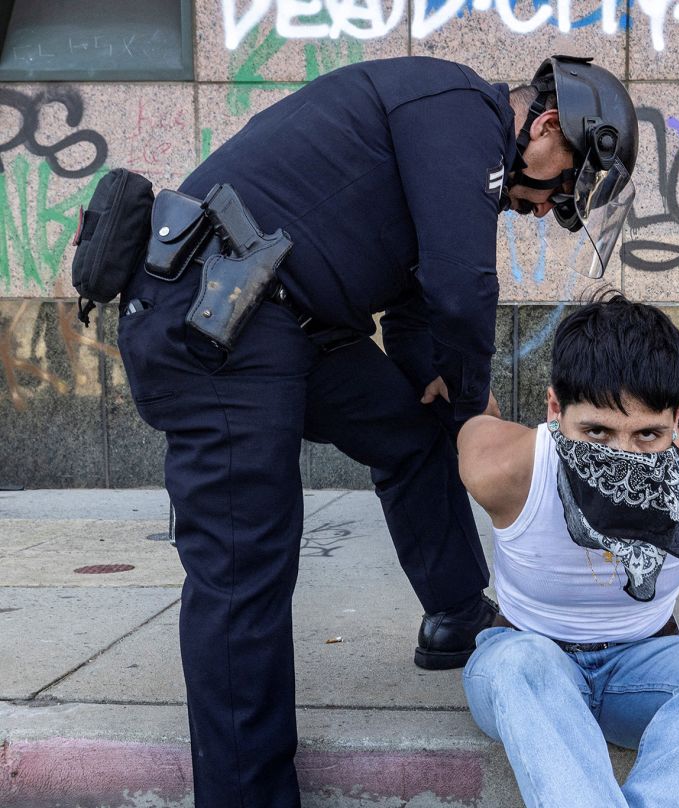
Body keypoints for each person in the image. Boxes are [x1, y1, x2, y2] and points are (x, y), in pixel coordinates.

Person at [114, 55, 638, 806]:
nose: (542, 209)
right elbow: (462, 283)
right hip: (214, 317)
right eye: (561, 186)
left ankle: (458, 614)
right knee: (243, 567)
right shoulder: (458, 108)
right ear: (548, 125)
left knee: (412, 427)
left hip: (286, 318)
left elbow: (422, 296)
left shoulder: (452, 139)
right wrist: (473, 403)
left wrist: (444, 398)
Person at [457, 294, 679, 808]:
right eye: (596, 431)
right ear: (555, 408)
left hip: (642, 669)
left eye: (647, 434)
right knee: (520, 660)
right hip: (529, 670)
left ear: (677, 419)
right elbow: (475, 422)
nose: (621, 455)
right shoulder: (502, 468)